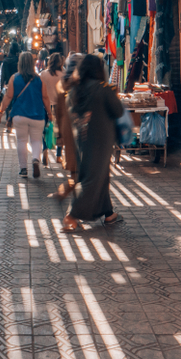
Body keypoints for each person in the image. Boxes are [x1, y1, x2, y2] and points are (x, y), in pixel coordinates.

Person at [62, 54, 124, 231]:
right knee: (94, 177)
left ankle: (109, 213)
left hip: (82, 138)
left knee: (97, 174)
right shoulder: (102, 88)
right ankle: (71, 216)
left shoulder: (74, 90)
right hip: (101, 139)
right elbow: (118, 111)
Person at [0, 52, 52, 178]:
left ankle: (23, 169)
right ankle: (35, 160)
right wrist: (49, 113)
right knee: (36, 140)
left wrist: (0, 112)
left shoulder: (14, 78)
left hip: (19, 115)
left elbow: (8, 97)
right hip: (38, 115)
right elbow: (45, 97)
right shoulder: (39, 79)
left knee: (21, 141)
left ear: (20, 63)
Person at [51, 53, 83, 199]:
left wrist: (59, 134)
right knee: (86, 168)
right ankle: (73, 202)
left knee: (74, 167)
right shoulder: (84, 83)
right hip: (83, 128)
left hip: (67, 127)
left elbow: (58, 111)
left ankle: (70, 193)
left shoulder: (62, 83)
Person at [39, 52, 64, 164]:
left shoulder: (43, 74)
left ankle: (44, 148)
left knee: (43, 129)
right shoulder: (64, 74)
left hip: (45, 105)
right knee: (60, 131)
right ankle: (59, 156)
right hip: (60, 106)